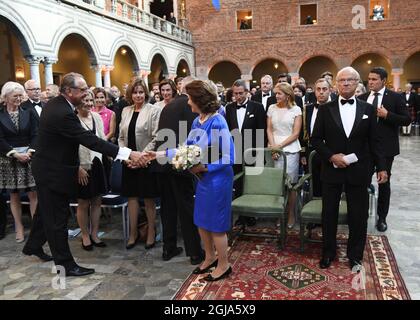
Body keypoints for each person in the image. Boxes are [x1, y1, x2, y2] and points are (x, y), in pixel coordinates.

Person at [22, 72, 147, 276]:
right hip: (52, 172)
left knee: (45, 213)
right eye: (82, 90)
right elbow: (89, 139)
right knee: (57, 220)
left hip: (49, 168)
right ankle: (66, 266)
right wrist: (128, 153)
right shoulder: (62, 112)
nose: (86, 93)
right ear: (69, 91)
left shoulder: (57, 104)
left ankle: (33, 246)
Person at [150, 80, 235, 281]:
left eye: (189, 98)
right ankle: (209, 257)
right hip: (203, 179)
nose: (187, 102)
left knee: (216, 224)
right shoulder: (198, 121)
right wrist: (158, 154)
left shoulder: (218, 121)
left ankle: (224, 265)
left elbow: (230, 156)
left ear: (199, 99)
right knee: (201, 220)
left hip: (218, 179)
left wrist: (205, 167)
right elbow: (184, 149)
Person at [311, 67, 388, 270]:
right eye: (342, 80)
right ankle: (328, 253)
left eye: (350, 80)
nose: (345, 83)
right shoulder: (325, 109)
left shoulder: (368, 109)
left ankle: (355, 255)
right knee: (329, 214)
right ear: (336, 84)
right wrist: (331, 156)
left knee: (358, 215)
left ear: (356, 83)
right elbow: (316, 140)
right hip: (331, 170)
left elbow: (375, 141)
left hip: (359, 170)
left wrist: (381, 167)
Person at [153, 76, 204, 265]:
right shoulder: (190, 107)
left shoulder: (168, 106)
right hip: (180, 164)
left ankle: (169, 247)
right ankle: (195, 252)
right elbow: (193, 139)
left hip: (163, 163)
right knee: (186, 208)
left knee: (168, 207)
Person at [358, 67, 411, 232]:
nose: (370, 82)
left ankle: (382, 218)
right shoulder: (362, 97)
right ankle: (360, 215)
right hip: (365, 149)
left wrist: (388, 115)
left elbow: (406, 120)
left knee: (384, 183)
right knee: (361, 182)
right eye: (369, 79)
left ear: (383, 81)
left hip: (386, 149)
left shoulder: (395, 97)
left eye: (374, 79)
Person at [118, 78, 160, 250]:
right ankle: (133, 234)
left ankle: (151, 232)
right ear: (130, 94)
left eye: (141, 92)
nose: (138, 95)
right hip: (128, 161)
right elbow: (120, 138)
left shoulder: (153, 111)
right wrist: (126, 157)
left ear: (146, 93)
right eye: (135, 92)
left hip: (146, 161)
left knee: (149, 199)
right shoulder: (125, 111)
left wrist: (141, 158)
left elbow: (156, 137)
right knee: (132, 198)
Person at [0, 82, 38, 242]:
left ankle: (36, 228)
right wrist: (15, 154)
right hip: (9, 159)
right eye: (15, 96)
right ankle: (19, 227)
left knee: (33, 194)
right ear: (5, 97)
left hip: (29, 157)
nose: (18, 98)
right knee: (14, 195)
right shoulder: (0, 115)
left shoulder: (28, 112)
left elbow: (37, 133)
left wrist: (29, 151)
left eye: (20, 95)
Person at [225, 79, 266, 226]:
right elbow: (228, 131)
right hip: (235, 152)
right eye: (235, 94)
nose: (238, 96)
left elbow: (262, 132)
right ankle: (242, 215)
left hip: (253, 151)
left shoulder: (258, 107)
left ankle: (252, 214)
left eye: (241, 93)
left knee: (252, 183)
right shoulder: (229, 108)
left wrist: (260, 154)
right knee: (239, 183)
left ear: (247, 92)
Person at [75, 90, 108, 251]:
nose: (88, 103)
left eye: (90, 100)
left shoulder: (96, 117)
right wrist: (78, 167)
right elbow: (69, 148)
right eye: (85, 100)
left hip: (97, 163)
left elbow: (102, 140)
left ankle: (95, 233)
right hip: (82, 166)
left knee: (97, 200)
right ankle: (85, 235)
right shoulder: (73, 119)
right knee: (83, 202)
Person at [267, 82, 302, 228]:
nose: (276, 96)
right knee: (276, 184)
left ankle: (291, 214)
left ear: (287, 95)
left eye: (279, 93)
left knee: (291, 185)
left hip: (290, 150)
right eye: (276, 93)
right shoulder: (271, 108)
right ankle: (278, 213)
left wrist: (279, 147)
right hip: (273, 148)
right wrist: (273, 148)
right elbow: (269, 129)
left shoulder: (296, 109)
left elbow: (295, 133)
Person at [301, 78, 332, 198]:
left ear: (330, 90)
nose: (321, 92)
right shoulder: (308, 108)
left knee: (329, 184)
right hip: (312, 152)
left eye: (324, 89)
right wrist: (303, 154)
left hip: (331, 151)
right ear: (314, 91)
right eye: (318, 89)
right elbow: (304, 132)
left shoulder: (336, 107)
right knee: (314, 182)